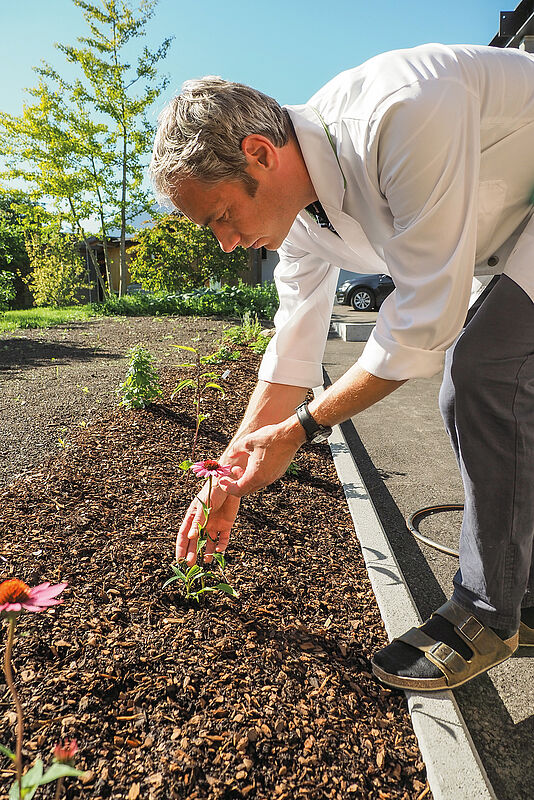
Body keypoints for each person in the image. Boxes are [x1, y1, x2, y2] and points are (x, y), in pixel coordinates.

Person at [149, 42, 534, 692]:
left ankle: (486, 614)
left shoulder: (398, 113)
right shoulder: (297, 218)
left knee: (484, 374)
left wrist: (300, 428)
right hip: (510, 234)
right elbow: (293, 347)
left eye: (221, 217)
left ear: (260, 154)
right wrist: (227, 474)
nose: (226, 243)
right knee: (489, 383)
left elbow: (421, 327)